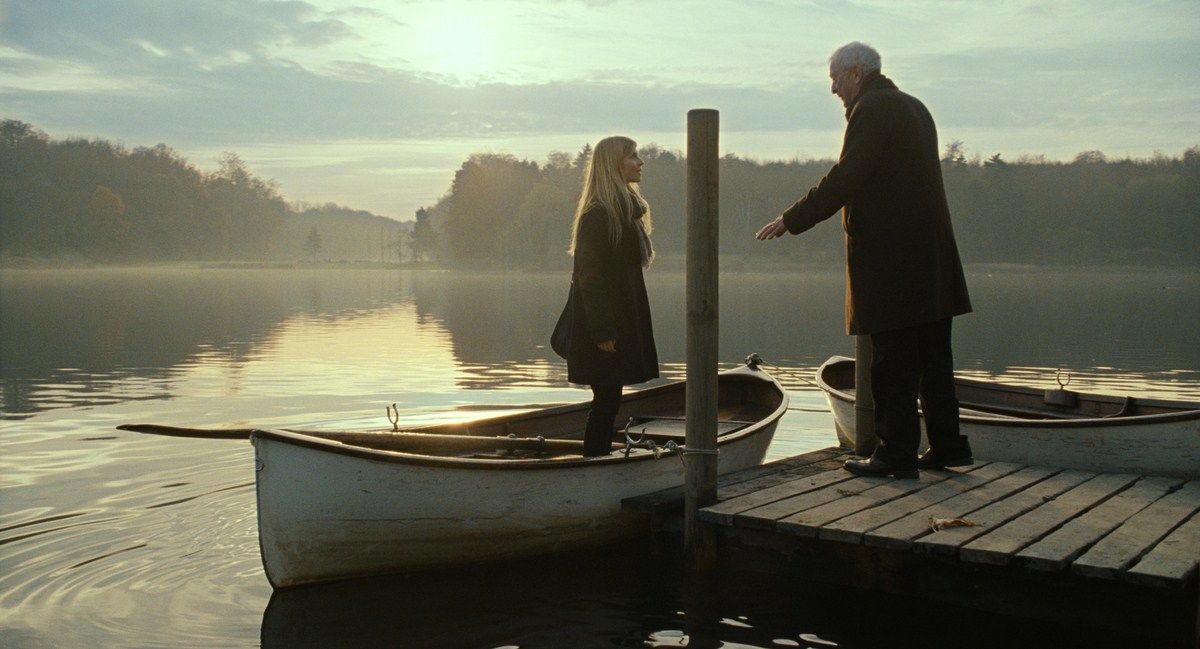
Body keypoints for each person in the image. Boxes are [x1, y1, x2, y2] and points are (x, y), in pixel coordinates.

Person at [755, 42, 973, 478]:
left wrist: (791, 218)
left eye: (836, 78)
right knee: (934, 357)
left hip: (892, 259)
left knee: (891, 360)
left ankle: (896, 454)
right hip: (931, 256)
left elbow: (847, 177)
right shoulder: (915, 107)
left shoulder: (871, 109)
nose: (834, 88)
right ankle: (948, 445)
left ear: (856, 73)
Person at [565, 136, 659, 457]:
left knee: (609, 401)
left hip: (618, 319)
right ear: (613, 165)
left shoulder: (625, 211)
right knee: (605, 402)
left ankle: (598, 460)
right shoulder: (599, 214)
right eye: (633, 156)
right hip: (603, 327)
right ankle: (594, 463)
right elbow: (588, 278)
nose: (640, 162)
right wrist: (603, 331)